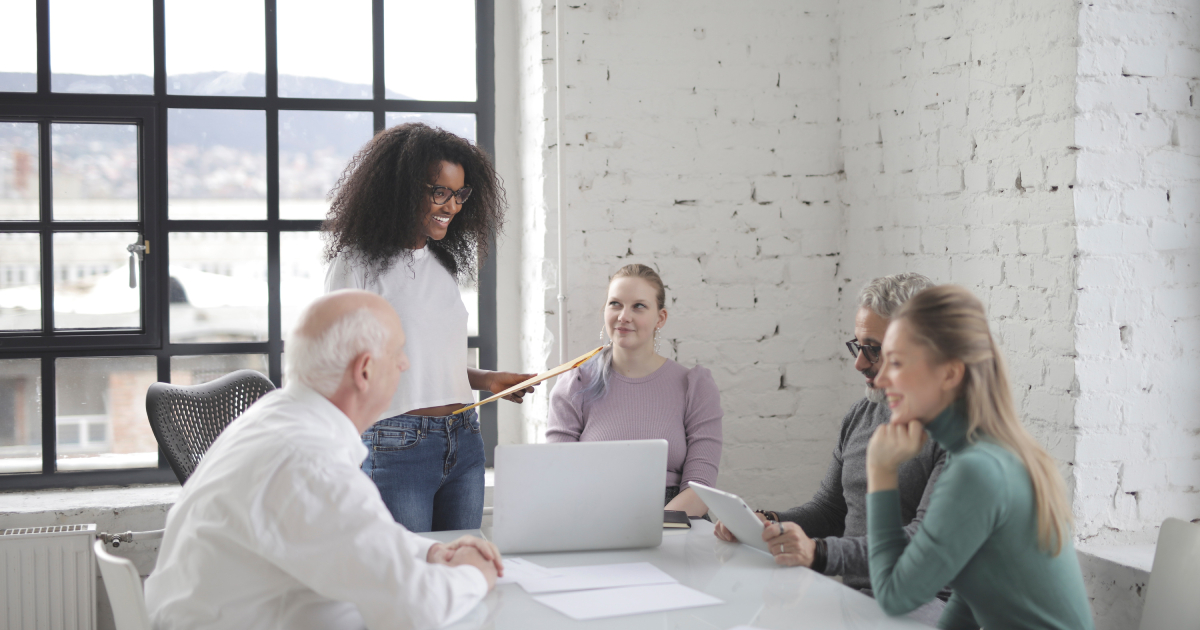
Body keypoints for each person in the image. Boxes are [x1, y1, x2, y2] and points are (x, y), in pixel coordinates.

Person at [145, 290, 503, 630]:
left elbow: (359, 536)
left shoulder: (274, 418)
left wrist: (433, 551)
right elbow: (413, 611)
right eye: (397, 352)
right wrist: (475, 574)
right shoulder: (309, 463)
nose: (405, 363)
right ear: (365, 371)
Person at [324, 123, 534, 532]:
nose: (452, 207)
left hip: (465, 442)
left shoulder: (441, 265)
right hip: (396, 446)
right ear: (399, 188)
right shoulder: (357, 263)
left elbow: (426, 360)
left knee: (461, 579)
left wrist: (489, 379)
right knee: (409, 583)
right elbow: (341, 368)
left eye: (459, 194)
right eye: (439, 192)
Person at [713, 272, 950, 624]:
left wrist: (820, 553)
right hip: (856, 594)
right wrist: (770, 523)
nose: (859, 363)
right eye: (858, 346)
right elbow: (830, 510)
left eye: (874, 349)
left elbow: (925, 540)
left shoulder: (955, 434)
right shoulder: (862, 415)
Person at [866, 285, 1094, 629]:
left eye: (895, 362)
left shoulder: (977, 470)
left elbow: (895, 596)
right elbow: (972, 598)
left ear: (950, 373)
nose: (880, 378)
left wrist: (881, 471)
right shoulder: (989, 454)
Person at [547, 263, 722, 517]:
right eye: (615, 304)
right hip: (593, 516)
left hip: (678, 520)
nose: (623, 316)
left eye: (638, 306)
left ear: (660, 318)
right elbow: (558, 479)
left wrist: (649, 530)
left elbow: (701, 489)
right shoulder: (574, 384)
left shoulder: (695, 387)